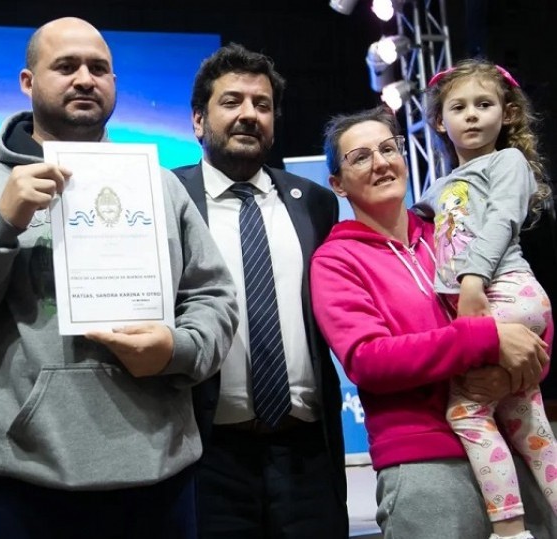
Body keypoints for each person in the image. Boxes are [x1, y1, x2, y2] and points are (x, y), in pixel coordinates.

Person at [0, 16, 238, 539]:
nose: (85, 78)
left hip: (159, 477)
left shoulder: (159, 185)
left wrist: (175, 348)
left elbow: (213, 297)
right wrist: (2, 222)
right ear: (28, 82)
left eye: (99, 68)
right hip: (25, 483)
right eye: (65, 66)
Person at [311, 105, 556, 539]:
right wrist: (486, 340)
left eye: (389, 148)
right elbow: (369, 360)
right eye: (361, 156)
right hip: (425, 463)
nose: (381, 162)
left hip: (509, 444)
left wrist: (522, 368)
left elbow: (520, 298)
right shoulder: (336, 261)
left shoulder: (451, 228)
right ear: (337, 184)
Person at [172, 44, 348, 538]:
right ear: (198, 121)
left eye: (262, 105)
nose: (249, 114)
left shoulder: (313, 202)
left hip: (308, 454)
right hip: (208, 454)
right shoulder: (166, 197)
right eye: (231, 102)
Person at [414, 58, 557, 539]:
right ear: (439, 121)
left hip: (505, 289)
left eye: (484, 104)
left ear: (508, 114)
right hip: (491, 294)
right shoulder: (439, 185)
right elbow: (420, 222)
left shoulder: (507, 162)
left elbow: (501, 222)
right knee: (525, 415)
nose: (472, 115)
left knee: (466, 410)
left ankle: (511, 531)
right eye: (459, 107)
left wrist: (473, 279)